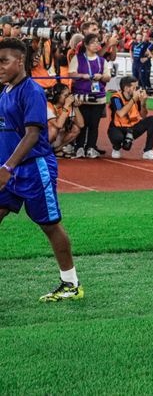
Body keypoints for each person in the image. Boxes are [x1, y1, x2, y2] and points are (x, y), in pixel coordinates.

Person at [0, 38, 83, 301]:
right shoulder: (6, 92)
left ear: (20, 61)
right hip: (10, 170)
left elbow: (34, 135)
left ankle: (71, 284)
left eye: (4, 61)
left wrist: (7, 166)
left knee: (49, 226)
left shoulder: (31, 91)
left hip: (34, 169)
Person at [69, 33, 110, 159]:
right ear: (86, 45)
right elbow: (71, 74)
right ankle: (79, 147)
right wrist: (82, 75)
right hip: (82, 97)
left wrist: (101, 76)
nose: (96, 45)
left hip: (98, 98)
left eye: (98, 42)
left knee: (94, 124)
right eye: (93, 42)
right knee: (83, 123)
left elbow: (108, 77)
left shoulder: (102, 61)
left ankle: (91, 147)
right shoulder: (78, 58)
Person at [107, 76, 153, 160]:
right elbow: (121, 113)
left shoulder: (136, 98)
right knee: (117, 138)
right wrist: (134, 100)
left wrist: (143, 103)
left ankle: (148, 151)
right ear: (126, 88)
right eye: (134, 88)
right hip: (118, 127)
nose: (136, 90)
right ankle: (116, 148)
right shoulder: (116, 98)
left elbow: (143, 115)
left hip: (132, 127)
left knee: (152, 120)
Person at [47, 83, 84, 157]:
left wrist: (76, 107)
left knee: (76, 129)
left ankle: (57, 150)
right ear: (57, 96)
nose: (68, 98)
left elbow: (81, 125)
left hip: (56, 138)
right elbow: (59, 125)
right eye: (65, 96)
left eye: (69, 95)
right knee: (54, 129)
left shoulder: (67, 107)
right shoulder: (48, 105)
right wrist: (66, 105)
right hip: (45, 136)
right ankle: (43, 151)